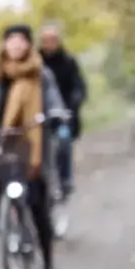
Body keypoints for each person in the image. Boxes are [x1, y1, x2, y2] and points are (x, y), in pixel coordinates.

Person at [0, 23, 72, 269]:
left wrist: (56, 115)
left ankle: (47, 263)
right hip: (2, 142)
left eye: (21, 40)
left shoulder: (41, 75)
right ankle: (3, 217)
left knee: (37, 203)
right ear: (3, 45)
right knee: (3, 182)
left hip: (32, 143)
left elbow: (54, 99)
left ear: (28, 45)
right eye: (10, 40)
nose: (15, 45)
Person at [37, 23, 87, 198]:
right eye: (45, 40)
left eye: (52, 40)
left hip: (63, 114)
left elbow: (79, 87)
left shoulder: (69, 61)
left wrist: (73, 103)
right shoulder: (35, 63)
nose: (49, 44)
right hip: (37, 114)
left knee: (63, 140)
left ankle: (65, 180)